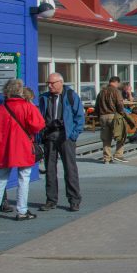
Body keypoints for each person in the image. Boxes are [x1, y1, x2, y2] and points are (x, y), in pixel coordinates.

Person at [0, 79, 46, 220]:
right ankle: (22, 211)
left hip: (4, 148)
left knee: (1, 178)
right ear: (20, 91)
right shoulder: (27, 106)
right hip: (23, 147)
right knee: (23, 179)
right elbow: (38, 125)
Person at [37, 72, 85, 212]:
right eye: (48, 84)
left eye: (52, 83)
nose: (50, 86)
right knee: (50, 170)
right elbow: (39, 117)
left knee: (70, 169)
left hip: (66, 136)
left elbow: (79, 117)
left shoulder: (71, 96)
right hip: (49, 137)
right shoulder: (43, 98)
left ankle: (74, 200)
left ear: (61, 83)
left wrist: (73, 135)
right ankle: (51, 200)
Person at [95, 76, 128, 165]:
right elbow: (120, 104)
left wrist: (99, 116)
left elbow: (96, 106)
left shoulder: (101, 92)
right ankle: (118, 154)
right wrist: (122, 114)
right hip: (114, 116)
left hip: (102, 116)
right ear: (117, 82)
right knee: (121, 134)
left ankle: (107, 158)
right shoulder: (116, 91)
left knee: (106, 138)